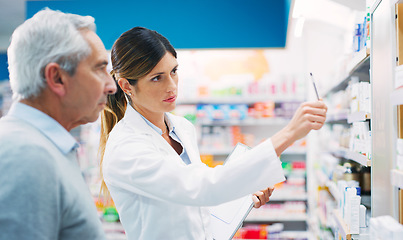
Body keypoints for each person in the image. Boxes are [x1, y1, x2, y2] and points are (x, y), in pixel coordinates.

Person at [99, 26, 327, 240]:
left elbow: (195, 201)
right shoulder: (126, 148)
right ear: (127, 86)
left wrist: (242, 193)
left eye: (174, 71)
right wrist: (289, 134)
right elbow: (202, 188)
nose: (172, 86)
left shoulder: (181, 128)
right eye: (157, 77)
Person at [0, 9, 117, 240]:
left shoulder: (45, 147)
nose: (111, 85)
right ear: (57, 78)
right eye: (99, 68)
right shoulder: (27, 156)